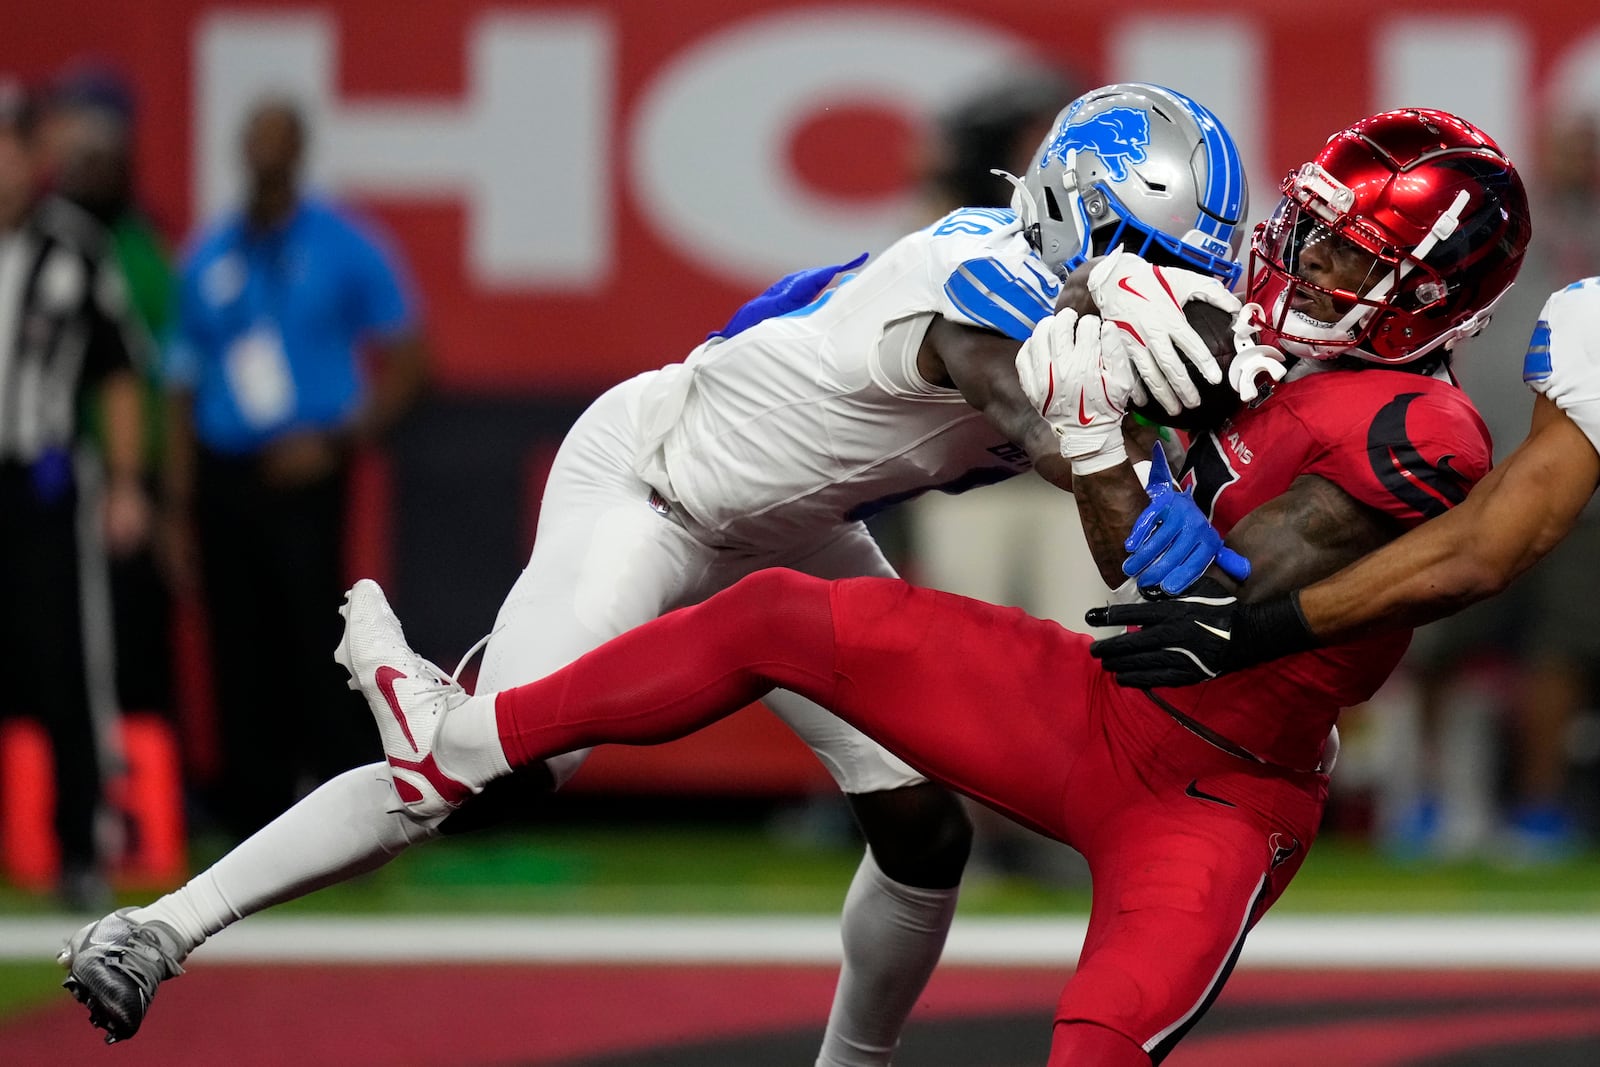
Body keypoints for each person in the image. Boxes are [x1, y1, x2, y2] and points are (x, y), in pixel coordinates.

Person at [64, 107, 1529, 1067]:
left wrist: (1192, 396)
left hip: (793, 506)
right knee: (488, 774)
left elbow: (1174, 438)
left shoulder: (1103, 294)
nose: (1186, 279)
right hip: (658, 482)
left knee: (919, 821)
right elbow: (1027, 402)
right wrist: (1107, 431)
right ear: (1082, 225)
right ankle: (164, 922)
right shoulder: (983, 289)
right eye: (1151, 256)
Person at [163, 96, 429, 838]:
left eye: (277, 138)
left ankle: (347, 794)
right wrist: (178, 502)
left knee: (320, 633)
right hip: (228, 467)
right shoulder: (211, 254)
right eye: (253, 137)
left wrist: (341, 439)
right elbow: (181, 379)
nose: (263, 153)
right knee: (234, 639)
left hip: (309, 466)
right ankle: (251, 802)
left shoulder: (344, 243)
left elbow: (409, 358)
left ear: (301, 150)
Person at [0, 80, 152, 909]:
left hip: (44, 476)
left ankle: (79, 847)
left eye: (12, 147)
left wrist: (126, 481)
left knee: (67, 665)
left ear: (35, 156)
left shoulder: (74, 248)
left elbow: (120, 370)